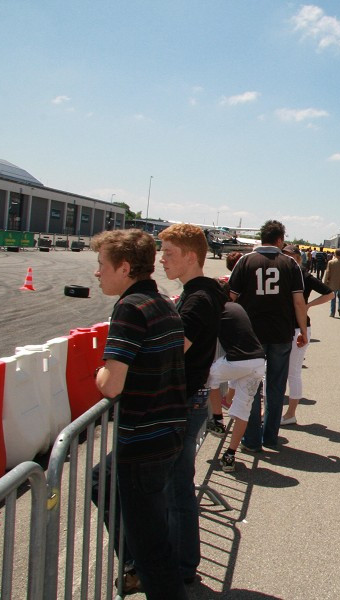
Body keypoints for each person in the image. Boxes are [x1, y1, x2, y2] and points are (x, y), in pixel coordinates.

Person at [92, 229, 189, 598]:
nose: (97, 273)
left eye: (102, 265)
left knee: (152, 550)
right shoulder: (162, 301)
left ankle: (140, 570)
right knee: (102, 482)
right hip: (165, 433)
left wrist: (98, 372)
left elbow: (111, 384)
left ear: (125, 267)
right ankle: (135, 566)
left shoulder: (130, 309)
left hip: (144, 440)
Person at [158, 223, 226, 585]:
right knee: (177, 484)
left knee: (176, 486)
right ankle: (181, 562)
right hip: (192, 397)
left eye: (168, 252)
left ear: (190, 255)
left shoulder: (198, 298)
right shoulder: (200, 293)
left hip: (184, 401)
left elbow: (172, 351)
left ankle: (182, 566)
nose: (162, 259)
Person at [228, 220, 308, 452]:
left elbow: (231, 297)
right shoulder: (290, 264)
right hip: (281, 333)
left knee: (251, 386)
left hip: (250, 334)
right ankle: (270, 436)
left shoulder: (245, 261)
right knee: (275, 386)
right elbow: (298, 301)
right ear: (280, 240)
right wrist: (302, 330)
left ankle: (250, 438)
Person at [208, 296, 266, 473]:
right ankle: (230, 455)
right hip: (257, 361)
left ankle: (217, 419)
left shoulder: (217, 310)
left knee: (211, 376)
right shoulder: (237, 308)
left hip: (239, 361)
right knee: (243, 409)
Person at [281, 245, 334, 426]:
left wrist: (308, 305)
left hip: (299, 327)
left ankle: (290, 413)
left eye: (288, 255)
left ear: (297, 257)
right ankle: (273, 411)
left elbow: (329, 293)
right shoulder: (282, 272)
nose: (285, 258)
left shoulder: (304, 275)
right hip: (282, 327)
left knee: (293, 372)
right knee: (275, 371)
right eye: (283, 255)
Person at [324, 248, 340, 318]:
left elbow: (327, 273)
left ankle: (332, 313)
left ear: (335, 254)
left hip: (333, 283)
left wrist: (325, 282)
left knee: (333, 298)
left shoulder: (331, 262)